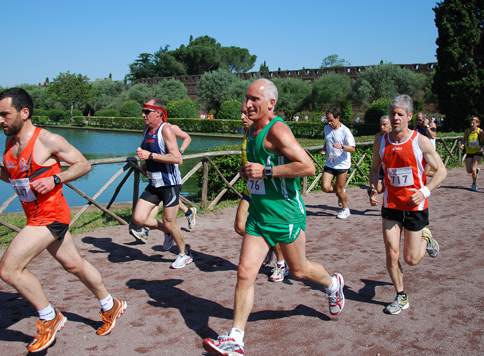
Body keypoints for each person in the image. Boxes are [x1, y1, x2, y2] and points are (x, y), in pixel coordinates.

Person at [0, 88, 126, 353]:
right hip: (34, 216)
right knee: (74, 265)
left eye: (4, 115)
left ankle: (49, 317)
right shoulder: (11, 143)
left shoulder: (48, 140)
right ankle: (110, 305)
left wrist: (56, 178)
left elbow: (83, 165)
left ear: (24, 112)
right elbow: (14, 178)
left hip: (51, 216)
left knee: (9, 270)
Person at [203, 79, 345, 356]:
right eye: (247, 98)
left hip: (285, 215)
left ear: (271, 104)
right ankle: (236, 339)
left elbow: (307, 166)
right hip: (258, 215)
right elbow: (259, 168)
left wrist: (267, 172)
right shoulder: (253, 131)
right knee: (245, 273)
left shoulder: (277, 129)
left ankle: (333, 284)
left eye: (255, 99)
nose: (247, 104)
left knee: (299, 270)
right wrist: (250, 173)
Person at [367, 94, 447, 315]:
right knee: (392, 253)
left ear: (409, 116)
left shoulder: (419, 141)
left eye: (400, 114)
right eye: (392, 113)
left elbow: (442, 171)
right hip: (391, 205)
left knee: (411, 259)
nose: (395, 118)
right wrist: (373, 187)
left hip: (415, 206)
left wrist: (424, 191)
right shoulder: (380, 141)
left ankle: (425, 236)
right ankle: (401, 296)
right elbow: (375, 169)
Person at [130, 98, 193, 269]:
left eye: (146, 112)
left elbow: (175, 158)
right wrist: (145, 163)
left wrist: (149, 156)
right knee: (138, 218)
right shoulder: (146, 129)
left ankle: (184, 254)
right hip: (154, 182)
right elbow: (152, 151)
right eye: (142, 111)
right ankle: (168, 232)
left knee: (170, 221)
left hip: (170, 184)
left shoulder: (166, 129)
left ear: (158, 112)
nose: (143, 115)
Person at [234, 101, 286, 282]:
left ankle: (281, 263)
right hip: (252, 188)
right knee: (240, 226)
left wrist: (266, 171)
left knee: (271, 230)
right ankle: (269, 248)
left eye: (245, 114)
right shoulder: (248, 133)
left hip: (270, 189)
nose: (242, 117)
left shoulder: (270, 132)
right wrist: (244, 171)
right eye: (241, 113)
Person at [129, 123, 197, 242]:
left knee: (165, 200)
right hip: (156, 174)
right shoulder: (149, 130)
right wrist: (147, 163)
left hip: (169, 172)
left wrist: (180, 152)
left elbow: (187, 138)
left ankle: (148, 229)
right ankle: (187, 212)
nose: (145, 116)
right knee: (162, 199)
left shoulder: (170, 128)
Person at [320, 107, 356, 219]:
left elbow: (353, 148)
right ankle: (339, 191)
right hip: (330, 163)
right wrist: (324, 149)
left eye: (331, 120)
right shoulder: (326, 128)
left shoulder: (346, 131)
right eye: (328, 120)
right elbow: (328, 141)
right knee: (325, 187)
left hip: (342, 165)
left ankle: (345, 209)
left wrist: (342, 146)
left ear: (338, 118)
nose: (329, 123)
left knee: (340, 190)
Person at [459, 116, 484, 191]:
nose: (472, 124)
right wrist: (463, 144)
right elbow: (464, 139)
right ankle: (476, 171)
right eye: (471, 123)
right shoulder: (467, 131)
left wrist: (482, 148)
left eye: (473, 123)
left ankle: (474, 183)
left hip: (477, 152)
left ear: (477, 123)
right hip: (469, 152)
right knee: (469, 170)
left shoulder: (480, 132)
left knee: (473, 167)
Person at [371, 115, 392, 194]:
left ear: (390, 125)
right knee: (379, 189)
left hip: (391, 166)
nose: (382, 127)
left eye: (385, 125)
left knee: (390, 186)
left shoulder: (394, 136)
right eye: (381, 125)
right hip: (381, 165)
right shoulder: (377, 136)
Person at [415, 112, 437, 176]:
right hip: (420, 151)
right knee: (419, 171)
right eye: (417, 120)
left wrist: (426, 126)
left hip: (429, 151)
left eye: (420, 120)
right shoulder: (417, 126)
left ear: (425, 119)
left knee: (426, 172)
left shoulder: (431, 124)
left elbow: (433, 136)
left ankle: (438, 178)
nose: (418, 122)